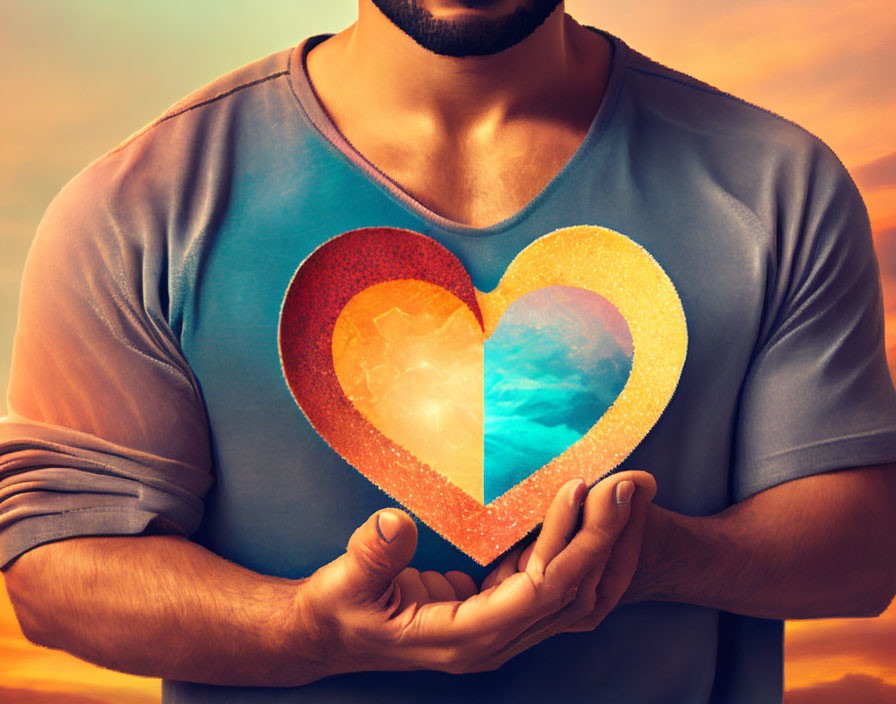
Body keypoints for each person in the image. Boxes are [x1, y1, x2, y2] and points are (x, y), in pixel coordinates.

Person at [2, 1, 895, 702]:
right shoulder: (137, 210)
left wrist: (656, 558)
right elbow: (54, 572)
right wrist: (311, 630)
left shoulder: (776, 185)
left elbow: (861, 552)